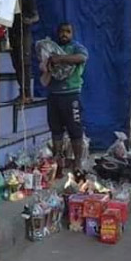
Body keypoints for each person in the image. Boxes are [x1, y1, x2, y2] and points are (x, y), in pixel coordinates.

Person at [41, 22, 88, 166]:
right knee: (56, 130)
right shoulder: (51, 49)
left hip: (71, 95)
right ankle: (58, 162)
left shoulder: (76, 47)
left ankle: (77, 163)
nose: (64, 34)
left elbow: (82, 58)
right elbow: (44, 69)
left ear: (72, 34)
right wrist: (48, 64)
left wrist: (60, 59)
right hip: (54, 95)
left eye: (68, 31)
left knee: (75, 129)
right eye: (62, 31)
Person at [10, 0, 39, 102]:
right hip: (13, 32)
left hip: (25, 33)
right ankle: (22, 91)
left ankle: (27, 93)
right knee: (16, 63)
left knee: (25, 63)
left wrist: (29, 20)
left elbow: (36, 16)